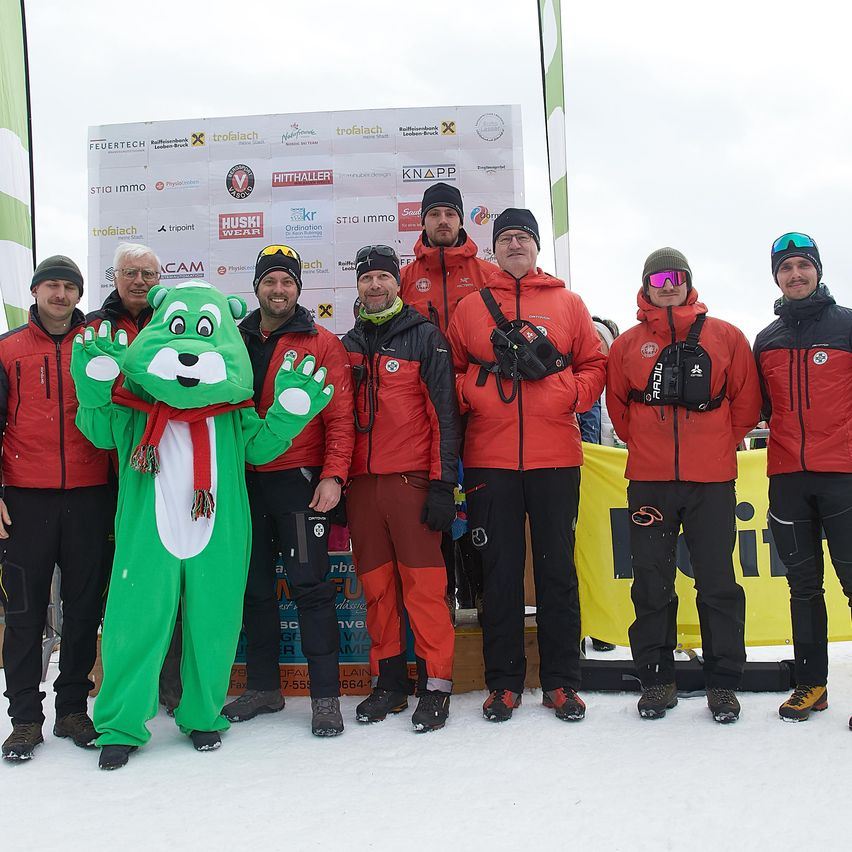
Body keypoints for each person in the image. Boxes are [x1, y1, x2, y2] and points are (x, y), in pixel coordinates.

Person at [446, 208, 607, 723]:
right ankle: (503, 684)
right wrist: (476, 390)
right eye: (506, 238)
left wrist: (568, 394)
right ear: (494, 248)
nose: (515, 244)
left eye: (523, 237)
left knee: (557, 570)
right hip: (489, 459)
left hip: (556, 456)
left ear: (536, 246)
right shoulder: (470, 307)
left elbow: (594, 365)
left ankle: (561, 681)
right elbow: (449, 372)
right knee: (499, 573)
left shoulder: (567, 303)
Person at [606, 248, 761, 723]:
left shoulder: (726, 336)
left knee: (717, 581)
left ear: (689, 281)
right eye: (658, 279)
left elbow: (746, 403)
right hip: (649, 482)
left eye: (676, 276)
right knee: (651, 581)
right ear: (646, 286)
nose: (668, 285)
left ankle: (723, 682)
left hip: (711, 482)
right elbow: (618, 409)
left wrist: (714, 445)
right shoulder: (627, 344)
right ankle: (656, 679)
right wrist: (648, 445)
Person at [222, 245, 353, 736]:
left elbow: (340, 418)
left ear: (299, 288)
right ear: (256, 286)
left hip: (299, 484)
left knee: (310, 588)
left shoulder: (322, 342)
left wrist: (333, 474)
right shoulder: (232, 339)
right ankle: (263, 688)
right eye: (270, 281)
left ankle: (325, 697)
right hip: (242, 483)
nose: (279, 290)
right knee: (254, 589)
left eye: (288, 282)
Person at [342, 245, 460, 732]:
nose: (375, 285)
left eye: (383, 278)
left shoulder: (425, 337)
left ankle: (435, 686)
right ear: (358, 285)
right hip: (361, 488)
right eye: (366, 278)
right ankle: (389, 683)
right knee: (376, 591)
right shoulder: (346, 343)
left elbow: (445, 417)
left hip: (411, 483)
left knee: (424, 591)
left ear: (398, 283)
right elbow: (335, 421)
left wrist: (443, 485)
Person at [0, 256, 112, 761]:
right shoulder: (8, 349)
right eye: (52, 286)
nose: (60, 295)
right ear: (35, 291)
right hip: (25, 499)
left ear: (79, 295)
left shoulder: (98, 345)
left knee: (84, 609)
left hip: (90, 496)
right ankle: (25, 719)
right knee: (24, 612)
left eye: (69, 287)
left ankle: (71, 709)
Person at [753, 233, 852, 724]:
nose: (795, 275)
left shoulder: (846, 325)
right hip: (788, 476)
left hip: (844, 476)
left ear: (818, 270)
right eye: (785, 268)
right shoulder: (766, 339)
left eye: (802, 265)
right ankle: (812, 685)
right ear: (776, 277)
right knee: (803, 587)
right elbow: (762, 408)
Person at [87, 242, 183, 713]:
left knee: (170, 582)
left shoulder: (174, 322)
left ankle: (171, 684)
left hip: (162, 474)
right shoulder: (94, 327)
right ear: (115, 277)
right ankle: (111, 684)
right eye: (130, 272)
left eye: (148, 273)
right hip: (101, 474)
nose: (140, 281)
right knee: (115, 584)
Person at [399, 182, 494, 334]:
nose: (443, 220)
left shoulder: (490, 275)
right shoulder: (403, 279)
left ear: (461, 222)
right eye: (434, 214)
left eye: (450, 214)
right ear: (423, 223)